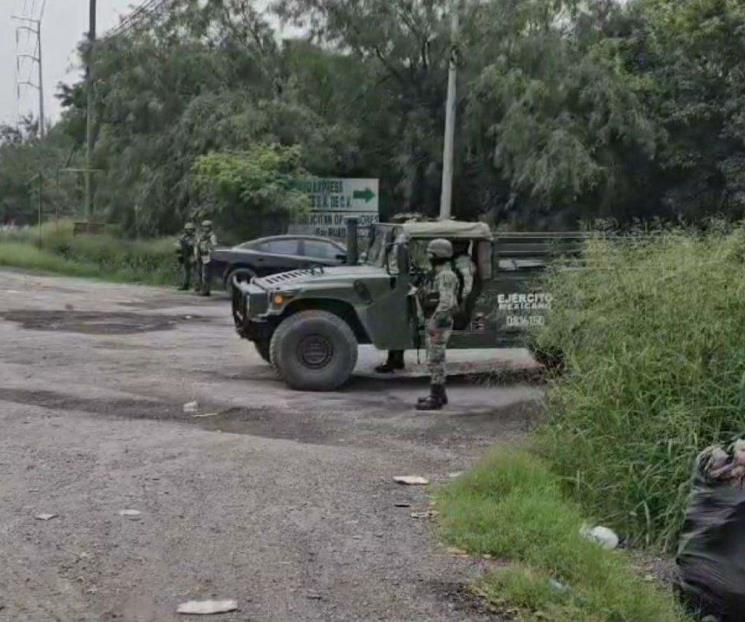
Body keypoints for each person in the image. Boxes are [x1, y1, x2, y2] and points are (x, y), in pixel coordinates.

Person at [416, 238, 459, 411]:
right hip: (436, 321)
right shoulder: (439, 274)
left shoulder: (446, 276)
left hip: (439, 323)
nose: (429, 257)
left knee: (435, 359)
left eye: (431, 254)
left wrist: (433, 323)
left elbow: (446, 304)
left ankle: (435, 398)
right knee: (436, 358)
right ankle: (440, 394)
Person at [196, 220, 218, 296]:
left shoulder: (212, 236)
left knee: (206, 274)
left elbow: (214, 246)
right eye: (204, 227)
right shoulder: (201, 235)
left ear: (210, 227)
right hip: (200, 254)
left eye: (207, 227)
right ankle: (201, 288)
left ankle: (206, 290)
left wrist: (210, 251)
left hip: (207, 255)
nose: (205, 228)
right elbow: (197, 244)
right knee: (200, 273)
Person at [175, 222, 197, 291]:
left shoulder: (195, 237)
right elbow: (178, 247)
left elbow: (196, 247)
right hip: (185, 255)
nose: (189, 231)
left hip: (192, 255)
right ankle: (185, 285)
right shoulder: (182, 237)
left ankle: (197, 286)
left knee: (195, 272)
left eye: (191, 229)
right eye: (188, 229)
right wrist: (179, 256)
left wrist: (196, 256)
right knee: (185, 271)